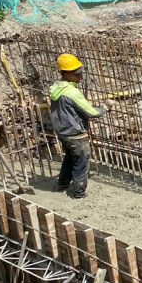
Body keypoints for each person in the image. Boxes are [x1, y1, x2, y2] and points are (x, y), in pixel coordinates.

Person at [49, 53, 110, 199]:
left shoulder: (57, 87)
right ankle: (78, 192)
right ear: (66, 74)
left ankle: (62, 184)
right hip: (75, 134)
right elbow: (91, 112)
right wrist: (105, 107)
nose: (80, 77)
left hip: (63, 132)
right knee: (81, 162)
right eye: (77, 74)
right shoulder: (72, 92)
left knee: (70, 158)